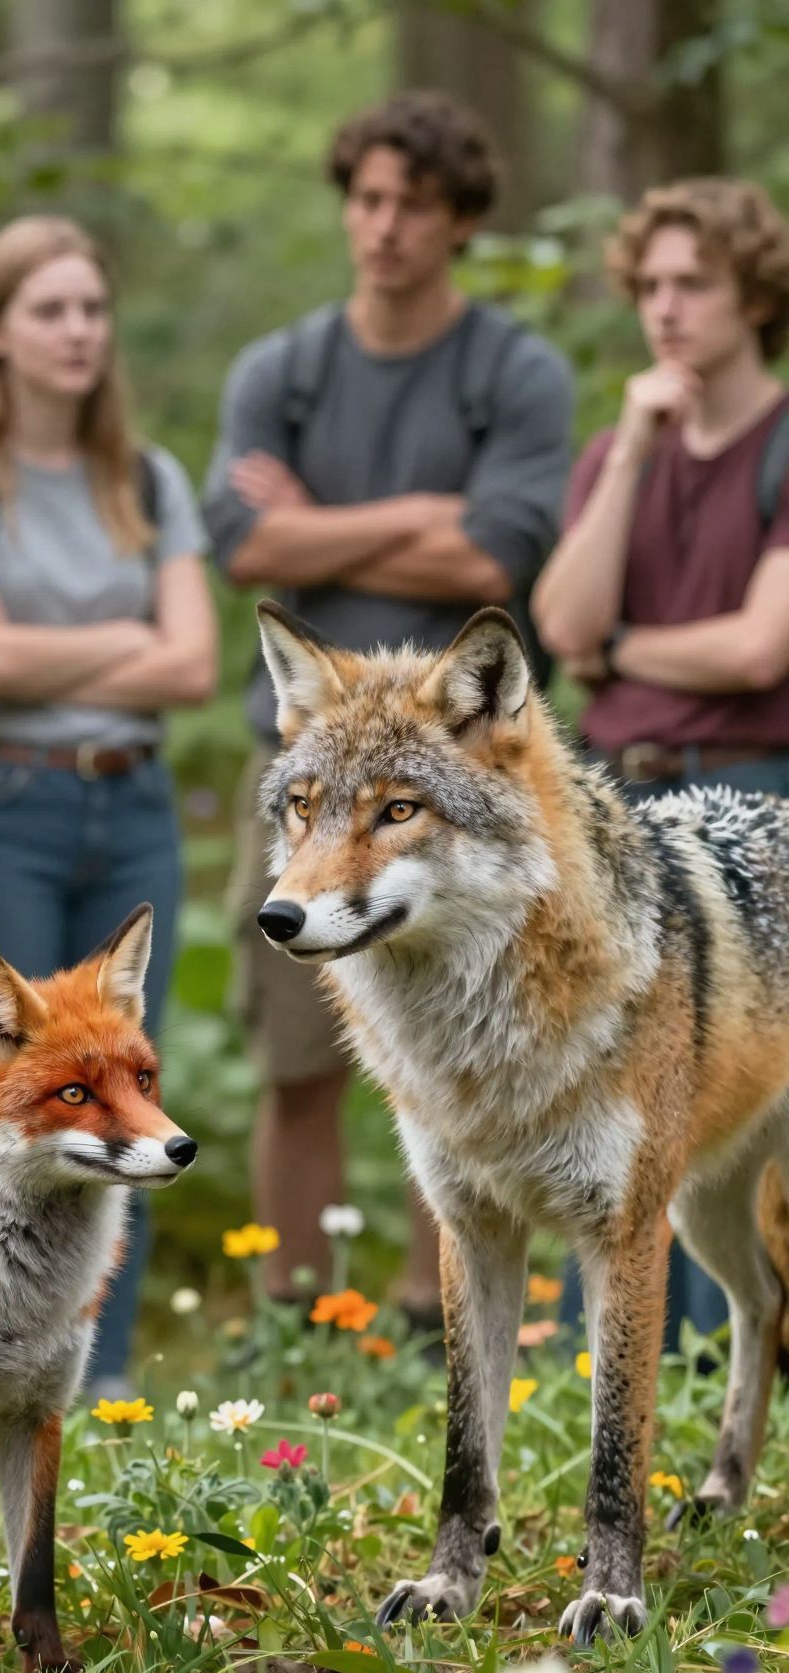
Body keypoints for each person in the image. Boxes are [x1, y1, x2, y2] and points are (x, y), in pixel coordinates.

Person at [202, 91, 573, 1314]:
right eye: (366, 199)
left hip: (457, 795)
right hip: (310, 791)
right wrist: (422, 517)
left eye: (415, 203)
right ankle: (298, 1325)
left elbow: (490, 566)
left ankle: (434, 1314)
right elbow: (246, 548)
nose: (385, 227)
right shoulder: (284, 370)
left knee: (462, 1069)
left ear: (460, 218)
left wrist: (319, 525)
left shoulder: (512, 372)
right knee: (297, 1068)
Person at [0, 215, 217, 1397]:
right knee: (7, 1095)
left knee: (121, 1089)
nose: (78, 330)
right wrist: (126, 635)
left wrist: (52, 651)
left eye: (91, 308)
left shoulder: (148, 477)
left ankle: (99, 1377)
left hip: (131, 809)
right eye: (49, 309)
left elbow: (193, 664)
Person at [533, 177, 789, 1346]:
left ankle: (737, 1371)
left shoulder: (783, 443)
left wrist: (625, 643)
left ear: (755, 293)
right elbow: (560, 620)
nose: (666, 309)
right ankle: (669, 1376)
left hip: (753, 799)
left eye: (694, 284)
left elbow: (757, 646)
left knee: (736, 1112)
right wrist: (633, 447)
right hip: (625, 803)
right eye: (650, 287)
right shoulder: (614, 454)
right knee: (642, 1116)